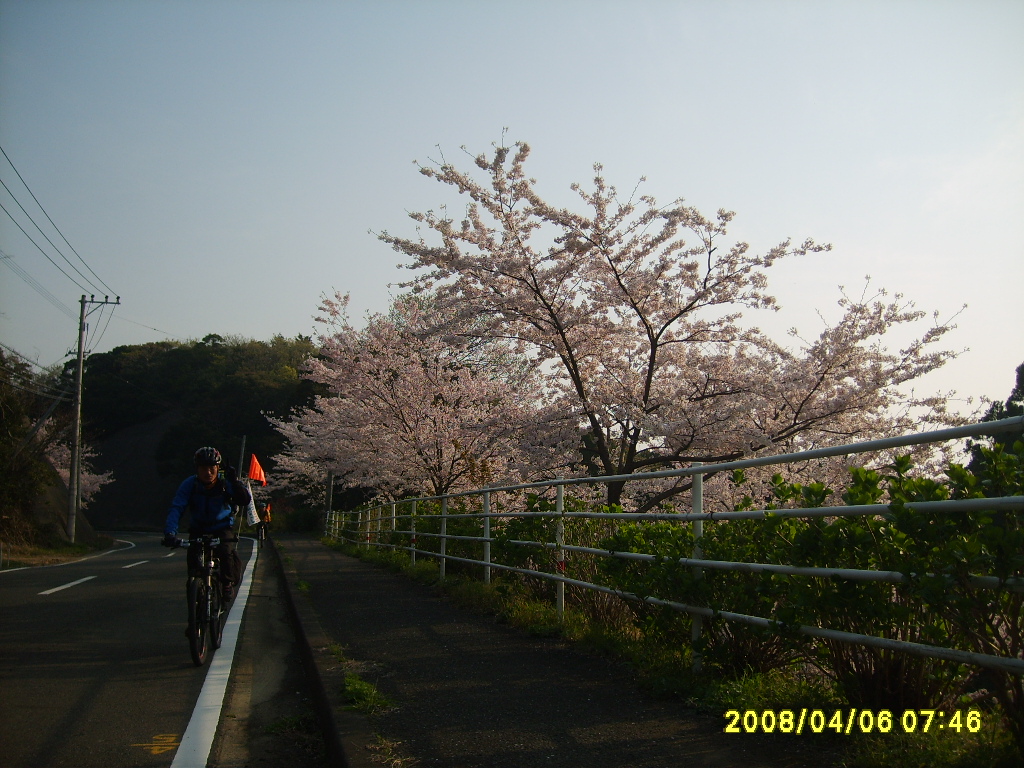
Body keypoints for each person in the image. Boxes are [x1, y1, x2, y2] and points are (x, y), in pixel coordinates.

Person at [161, 446, 252, 601]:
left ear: (218, 468)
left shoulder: (225, 482)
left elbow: (244, 500)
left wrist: (234, 482)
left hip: (222, 527)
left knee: (225, 552)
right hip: (198, 528)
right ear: (197, 469)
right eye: (203, 468)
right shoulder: (190, 484)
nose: (208, 472)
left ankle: (227, 583)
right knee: (193, 568)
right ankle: (194, 615)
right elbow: (177, 508)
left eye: (212, 468)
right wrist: (170, 533)